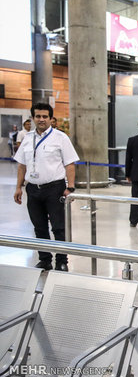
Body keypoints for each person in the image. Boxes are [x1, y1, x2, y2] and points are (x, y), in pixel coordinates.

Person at [13, 103, 79, 271]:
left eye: (44, 116)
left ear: (50, 118)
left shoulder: (60, 138)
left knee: (58, 227)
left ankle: (62, 261)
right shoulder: (27, 138)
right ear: (33, 118)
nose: (41, 119)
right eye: (38, 116)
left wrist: (70, 187)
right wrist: (18, 187)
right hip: (33, 189)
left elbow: (70, 164)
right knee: (39, 227)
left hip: (54, 188)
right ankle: (45, 259)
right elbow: (22, 165)